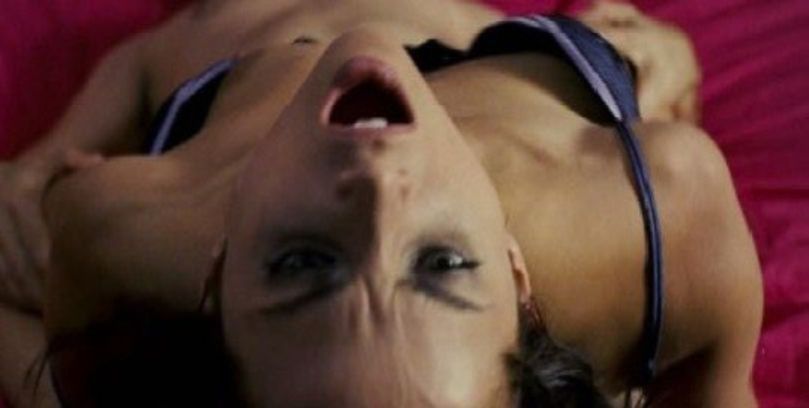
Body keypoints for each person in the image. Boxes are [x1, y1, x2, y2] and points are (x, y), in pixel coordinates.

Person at [0, 0, 762, 406]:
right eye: (442, 263)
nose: (375, 191)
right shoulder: (664, 218)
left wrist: (34, 169)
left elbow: (139, 65)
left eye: (303, 262)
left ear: (217, 275)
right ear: (515, 275)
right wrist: (654, 56)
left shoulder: (121, 237)